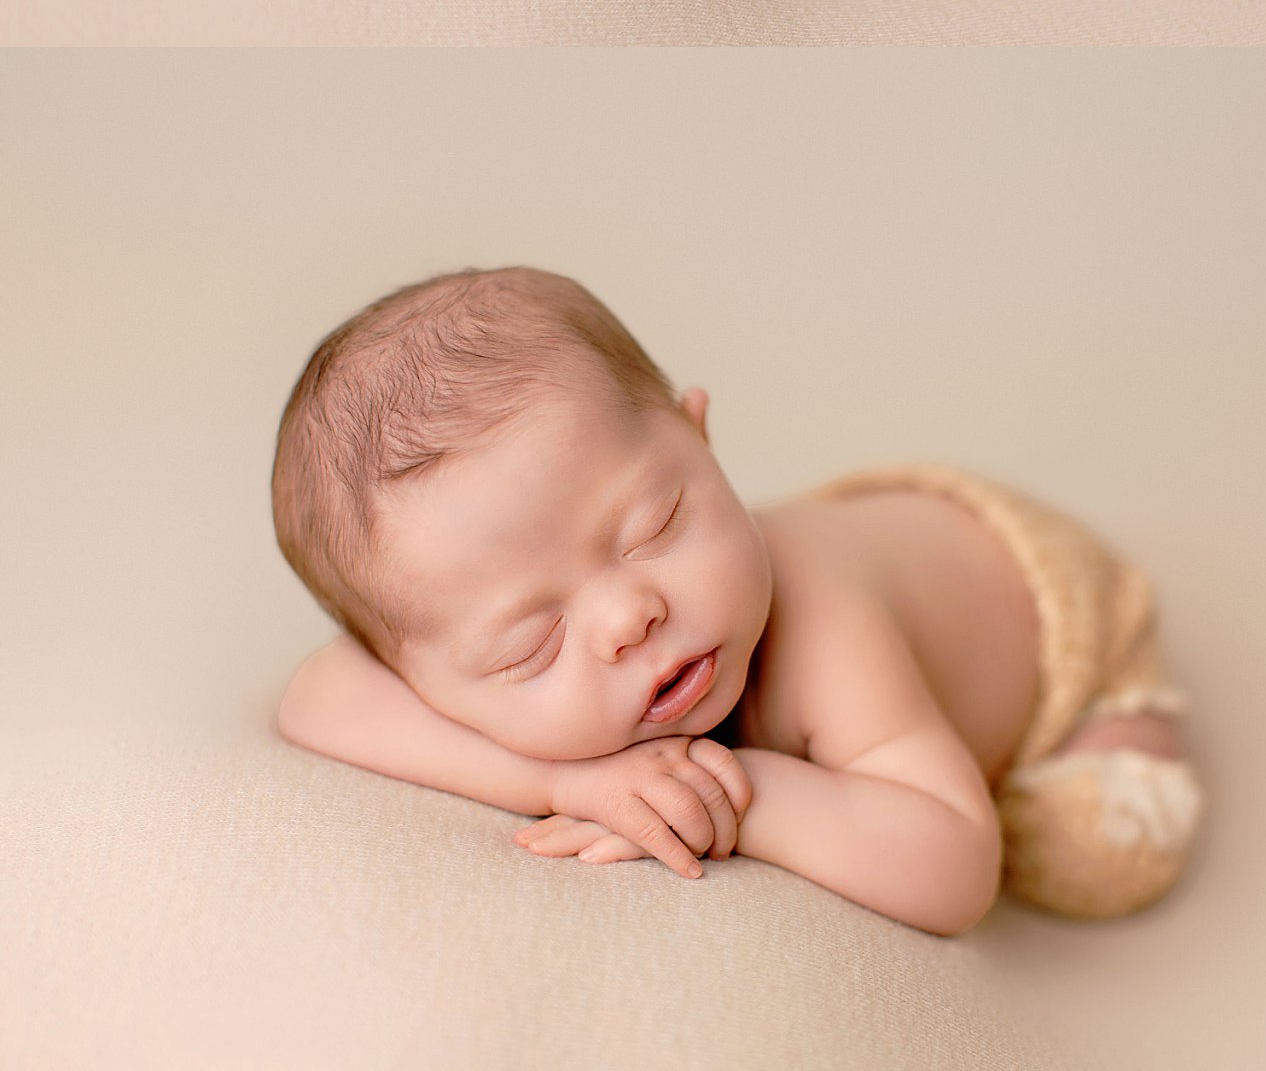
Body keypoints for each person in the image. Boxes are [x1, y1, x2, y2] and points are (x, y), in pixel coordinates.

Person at [272, 267, 1204, 936]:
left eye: (654, 525)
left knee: (1097, 858)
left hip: (1041, 601)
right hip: (883, 537)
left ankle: (1123, 707)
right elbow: (313, 697)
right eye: (530, 645)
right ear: (420, 676)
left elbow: (958, 867)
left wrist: (734, 796)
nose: (625, 616)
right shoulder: (443, 653)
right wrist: (566, 782)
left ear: (703, 441)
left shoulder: (826, 630)